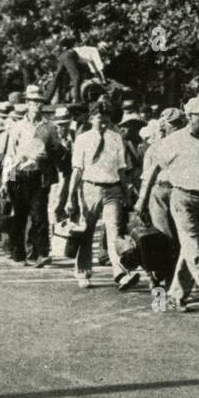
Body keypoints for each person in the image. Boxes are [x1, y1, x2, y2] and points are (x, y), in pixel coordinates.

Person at [138, 97, 199, 315]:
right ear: (189, 117)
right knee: (193, 245)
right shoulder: (173, 141)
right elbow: (154, 171)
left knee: (189, 249)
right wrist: (141, 199)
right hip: (182, 198)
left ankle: (176, 295)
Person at [68, 103, 140, 290]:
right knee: (86, 232)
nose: (103, 123)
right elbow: (77, 170)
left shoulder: (116, 138)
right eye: (100, 119)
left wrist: (126, 193)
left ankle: (120, 273)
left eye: (107, 119)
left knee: (114, 232)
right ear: (92, 119)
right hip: (89, 188)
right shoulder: (82, 139)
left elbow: (121, 168)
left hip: (112, 189)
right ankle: (83, 272)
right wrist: (71, 197)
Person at [4, 85, 66, 266]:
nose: (37, 105)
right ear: (27, 103)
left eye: (40, 102)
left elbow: (57, 151)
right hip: (18, 174)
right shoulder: (17, 126)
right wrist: (7, 180)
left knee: (39, 216)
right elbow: (10, 153)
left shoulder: (49, 127)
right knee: (19, 215)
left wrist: (49, 154)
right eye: (33, 102)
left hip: (39, 175)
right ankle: (19, 253)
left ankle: (39, 253)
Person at [135, 107, 188, 290]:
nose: (176, 128)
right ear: (164, 126)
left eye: (179, 124)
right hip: (159, 192)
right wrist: (141, 201)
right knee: (162, 238)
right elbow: (148, 177)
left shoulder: (187, 145)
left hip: (180, 192)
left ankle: (173, 282)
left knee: (180, 239)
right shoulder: (156, 148)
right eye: (172, 125)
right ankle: (160, 280)